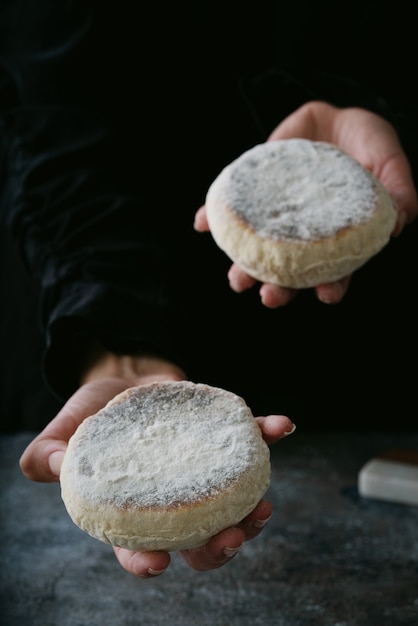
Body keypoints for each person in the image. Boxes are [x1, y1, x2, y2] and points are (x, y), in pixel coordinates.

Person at [1, 1, 417, 578]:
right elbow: (59, 116)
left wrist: (382, 114)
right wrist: (118, 342)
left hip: (383, 354)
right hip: (134, 279)